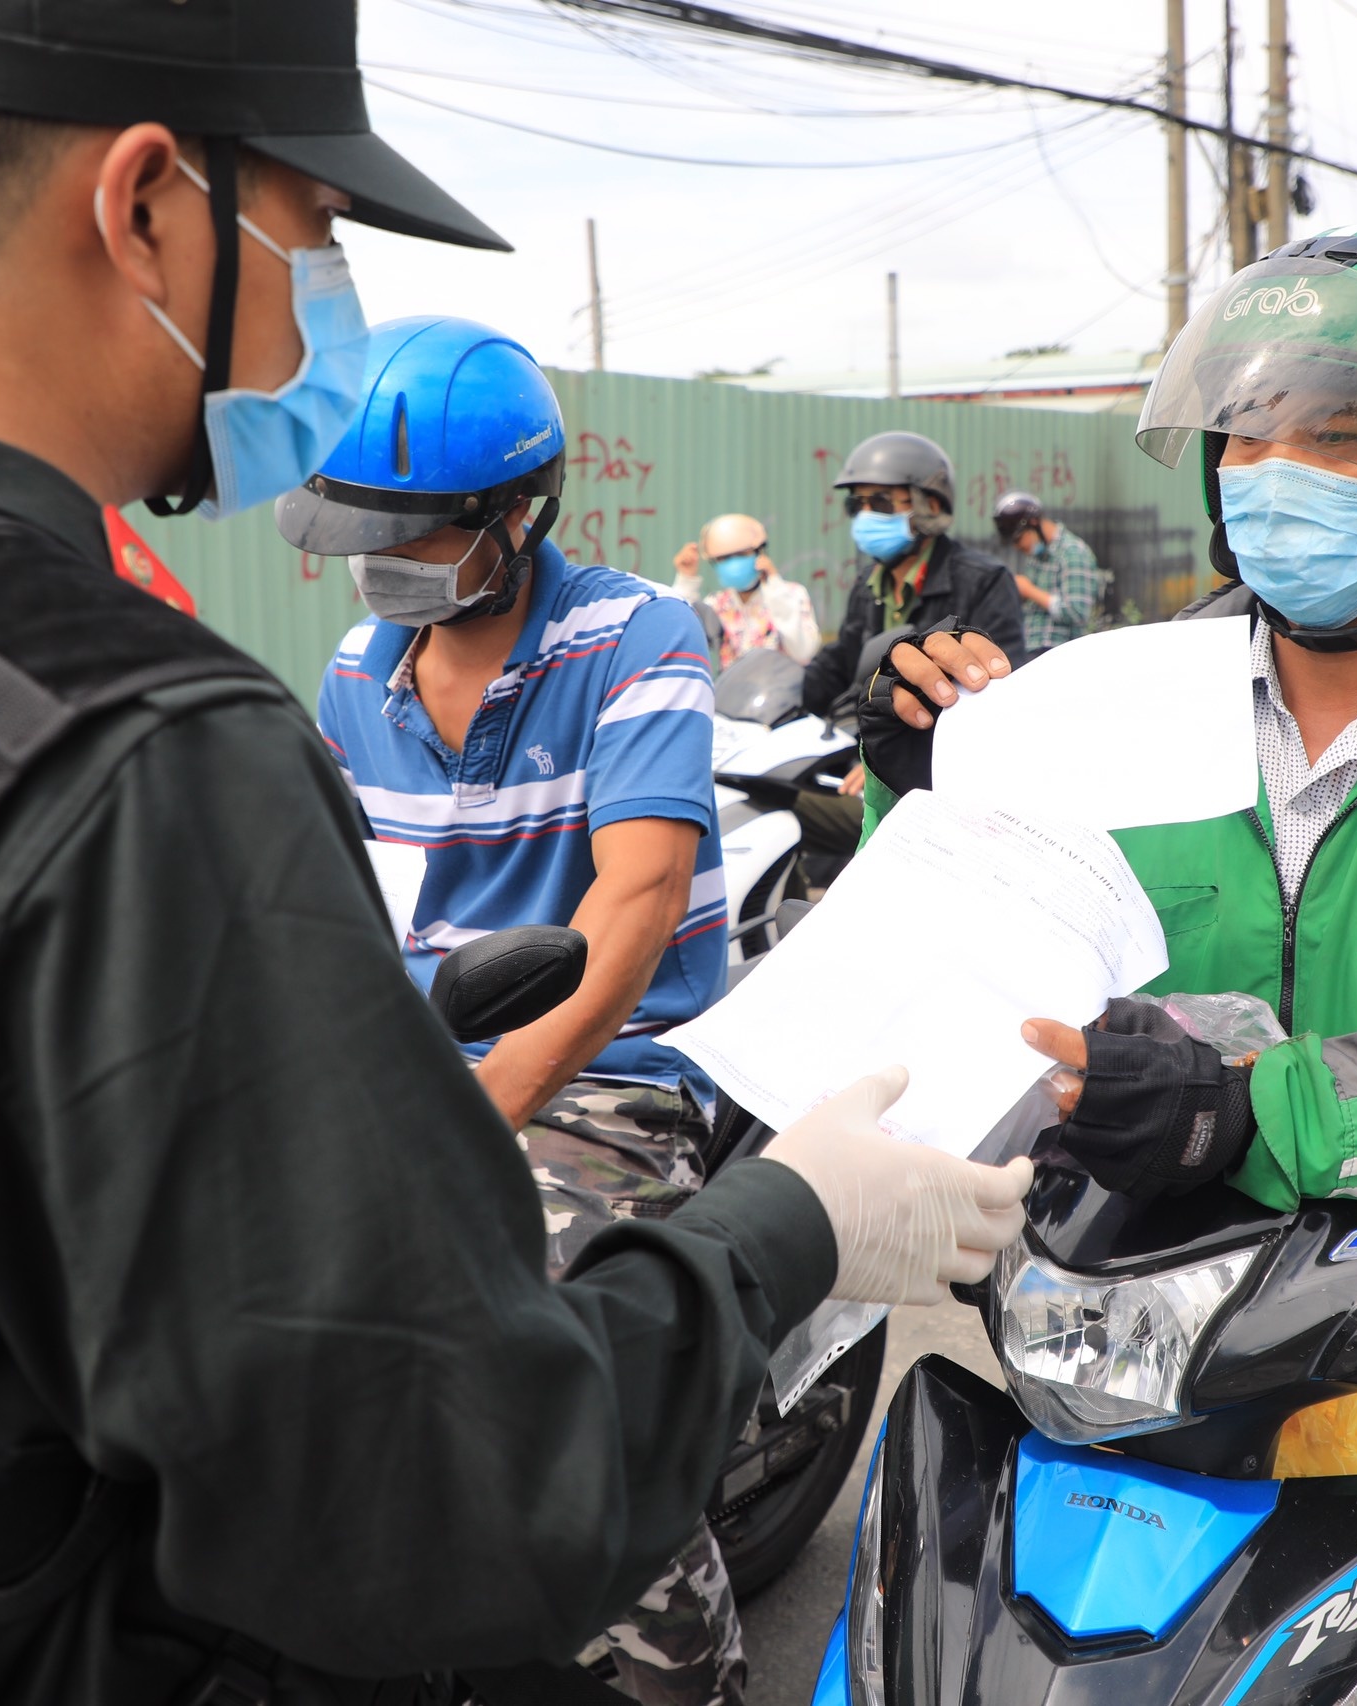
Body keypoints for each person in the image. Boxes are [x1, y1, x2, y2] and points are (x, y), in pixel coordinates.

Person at [0, 7, 1032, 1702]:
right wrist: (794, 1226)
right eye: (314, 232)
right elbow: (456, 1495)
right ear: (149, 207)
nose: (323, 298)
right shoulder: (133, 756)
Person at [861, 227, 1357, 1706]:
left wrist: (1258, 1105)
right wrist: (917, 777)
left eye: (1342, 433)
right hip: (1123, 1302)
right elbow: (965, 960)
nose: (1274, 468)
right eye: (1248, 433)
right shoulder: (1103, 704)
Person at [292, 315, 745, 1706]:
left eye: (417, 530)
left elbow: (633, 911)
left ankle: (684, 1670)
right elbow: (336, 908)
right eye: (368, 528)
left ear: (520, 515)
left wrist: (475, 1113)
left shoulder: (633, 635)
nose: (384, 561)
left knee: (539, 1338)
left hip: (615, 1073)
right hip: (434, 1062)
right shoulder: (357, 675)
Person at [799, 429, 1027, 721]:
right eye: (856, 505)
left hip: (939, 746)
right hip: (870, 738)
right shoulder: (867, 585)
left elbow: (1002, 684)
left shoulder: (985, 581)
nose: (865, 516)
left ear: (930, 506)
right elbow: (843, 662)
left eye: (880, 503)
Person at [672, 513, 820, 670]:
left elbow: (803, 651)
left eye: (741, 555)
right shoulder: (717, 604)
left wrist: (775, 588)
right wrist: (686, 580)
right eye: (724, 558)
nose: (733, 563)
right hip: (734, 692)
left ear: (760, 553)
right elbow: (679, 634)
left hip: (783, 691)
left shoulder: (792, 594)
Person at [992, 489, 1107, 653]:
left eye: (1018, 540)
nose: (1017, 547)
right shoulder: (1037, 555)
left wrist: (1029, 590)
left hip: (1058, 653)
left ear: (1034, 523)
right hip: (1029, 649)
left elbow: (1077, 612)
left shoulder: (1073, 553)